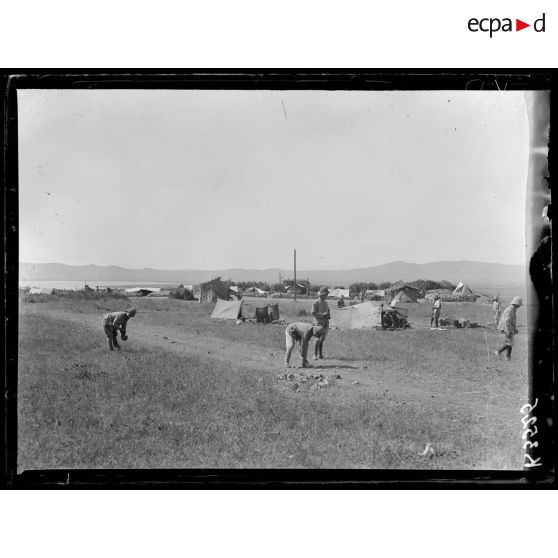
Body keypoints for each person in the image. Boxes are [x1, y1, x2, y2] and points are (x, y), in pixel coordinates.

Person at [311, 287, 331, 360]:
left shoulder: (326, 303)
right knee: (317, 339)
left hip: (325, 323)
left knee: (322, 340)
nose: (327, 296)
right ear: (322, 294)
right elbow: (313, 313)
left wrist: (328, 314)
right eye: (326, 294)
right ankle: (314, 355)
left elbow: (328, 311)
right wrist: (322, 314)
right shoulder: (316, 302)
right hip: (318, 324)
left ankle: (320, 355)